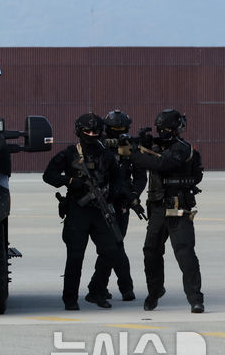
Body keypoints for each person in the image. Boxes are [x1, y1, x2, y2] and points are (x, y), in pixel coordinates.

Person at [43, 113, 122, 310]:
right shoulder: (69, 154)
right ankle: (70, 298)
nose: (92, 135)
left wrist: (115, 195)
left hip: (100, 209)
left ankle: (96, 291)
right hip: (78, 209)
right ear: (79, 131)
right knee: (75, 256)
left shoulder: (107, 155)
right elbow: (49, 175)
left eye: (96, 131)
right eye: (88, 131)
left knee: (111, 250)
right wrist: (69, 181)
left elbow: (118, 179)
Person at [130, 109, 204, 313]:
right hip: (157, 209)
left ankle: (195, 298)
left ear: (178, 129)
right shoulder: (155, 147)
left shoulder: (182, 149)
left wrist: (135, 152)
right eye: (161, 129)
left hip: (178, 206)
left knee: (184, 252)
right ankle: (155, 291)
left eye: (168, 129)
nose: (164, 133)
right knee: (151, 251)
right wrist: (140, 145)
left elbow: (161, 163)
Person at [87, 110, 146, 302]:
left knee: (114, 245)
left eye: (121, 129)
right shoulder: (98, 145)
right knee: (112, 246)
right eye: (113, 129)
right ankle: (117, 287)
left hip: (122, 201)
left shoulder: (130, 147)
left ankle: (103, 287)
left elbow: (139, 176)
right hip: (101, 201)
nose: (117, 133)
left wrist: (134, 195)